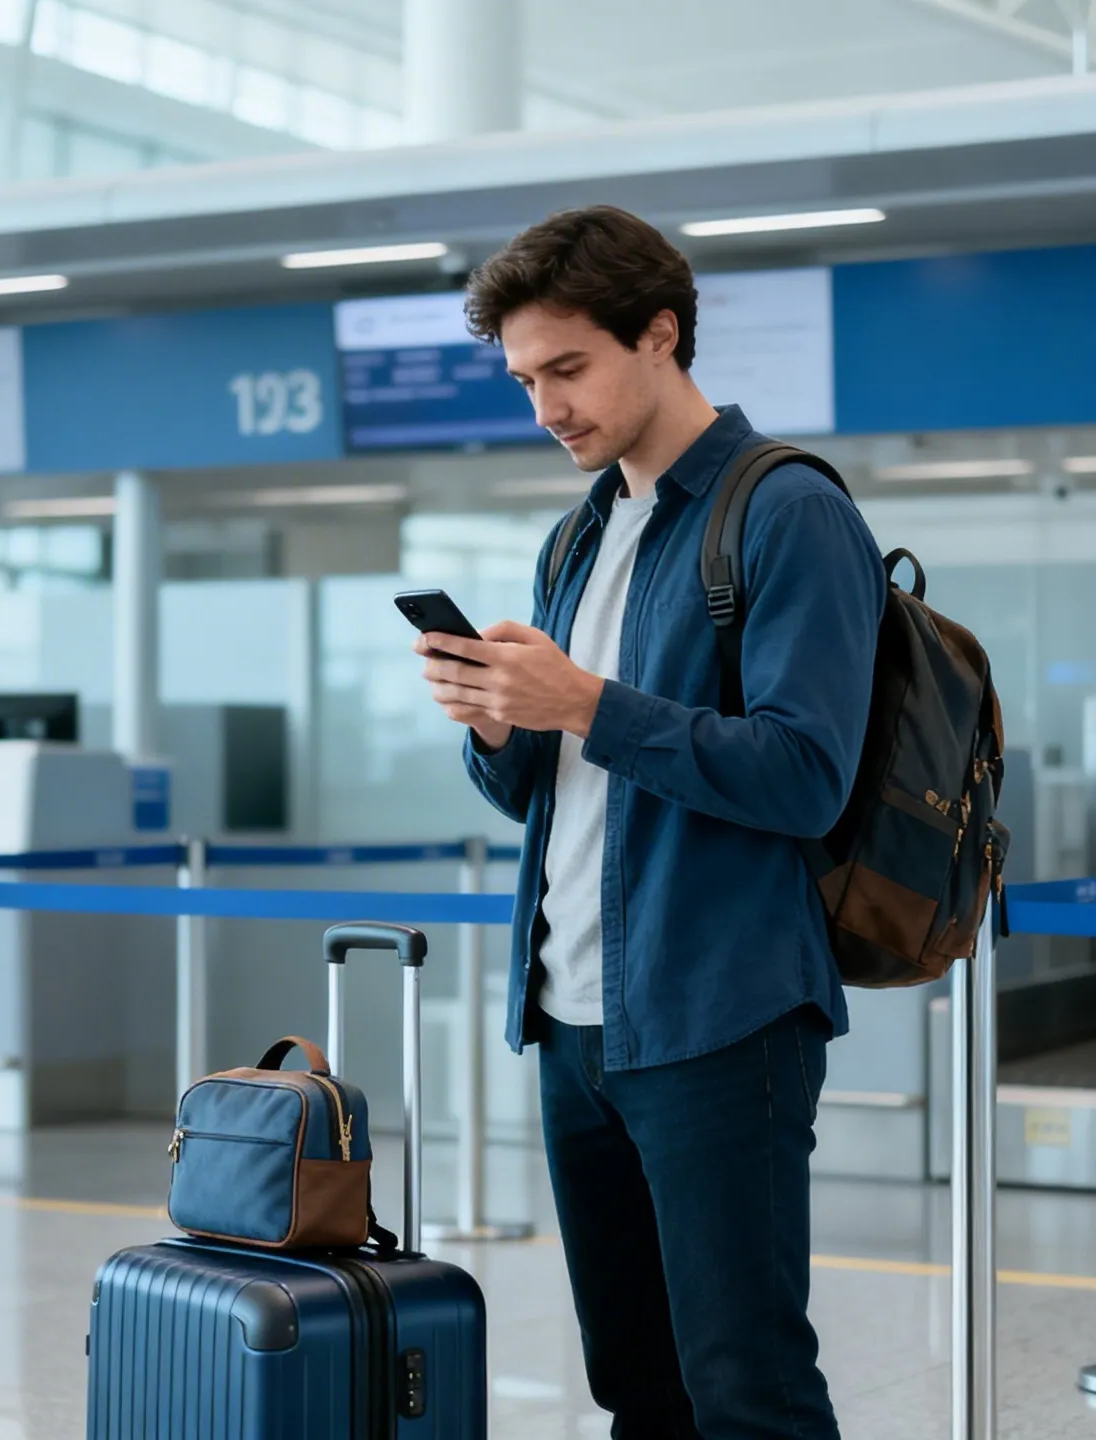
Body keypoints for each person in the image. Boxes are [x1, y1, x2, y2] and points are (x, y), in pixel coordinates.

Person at [414, 204, 884, 1440]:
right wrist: (497, 725)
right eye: (525, 380)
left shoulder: (784, 510)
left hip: (720, 1016)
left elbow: (805, 774)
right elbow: (545, 794)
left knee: (748, 1391)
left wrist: (584, 701)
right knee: (636, 1385)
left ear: (660, 334)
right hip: (573, 1021)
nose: (545, 408)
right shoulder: (577, 537)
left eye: (567, 369)